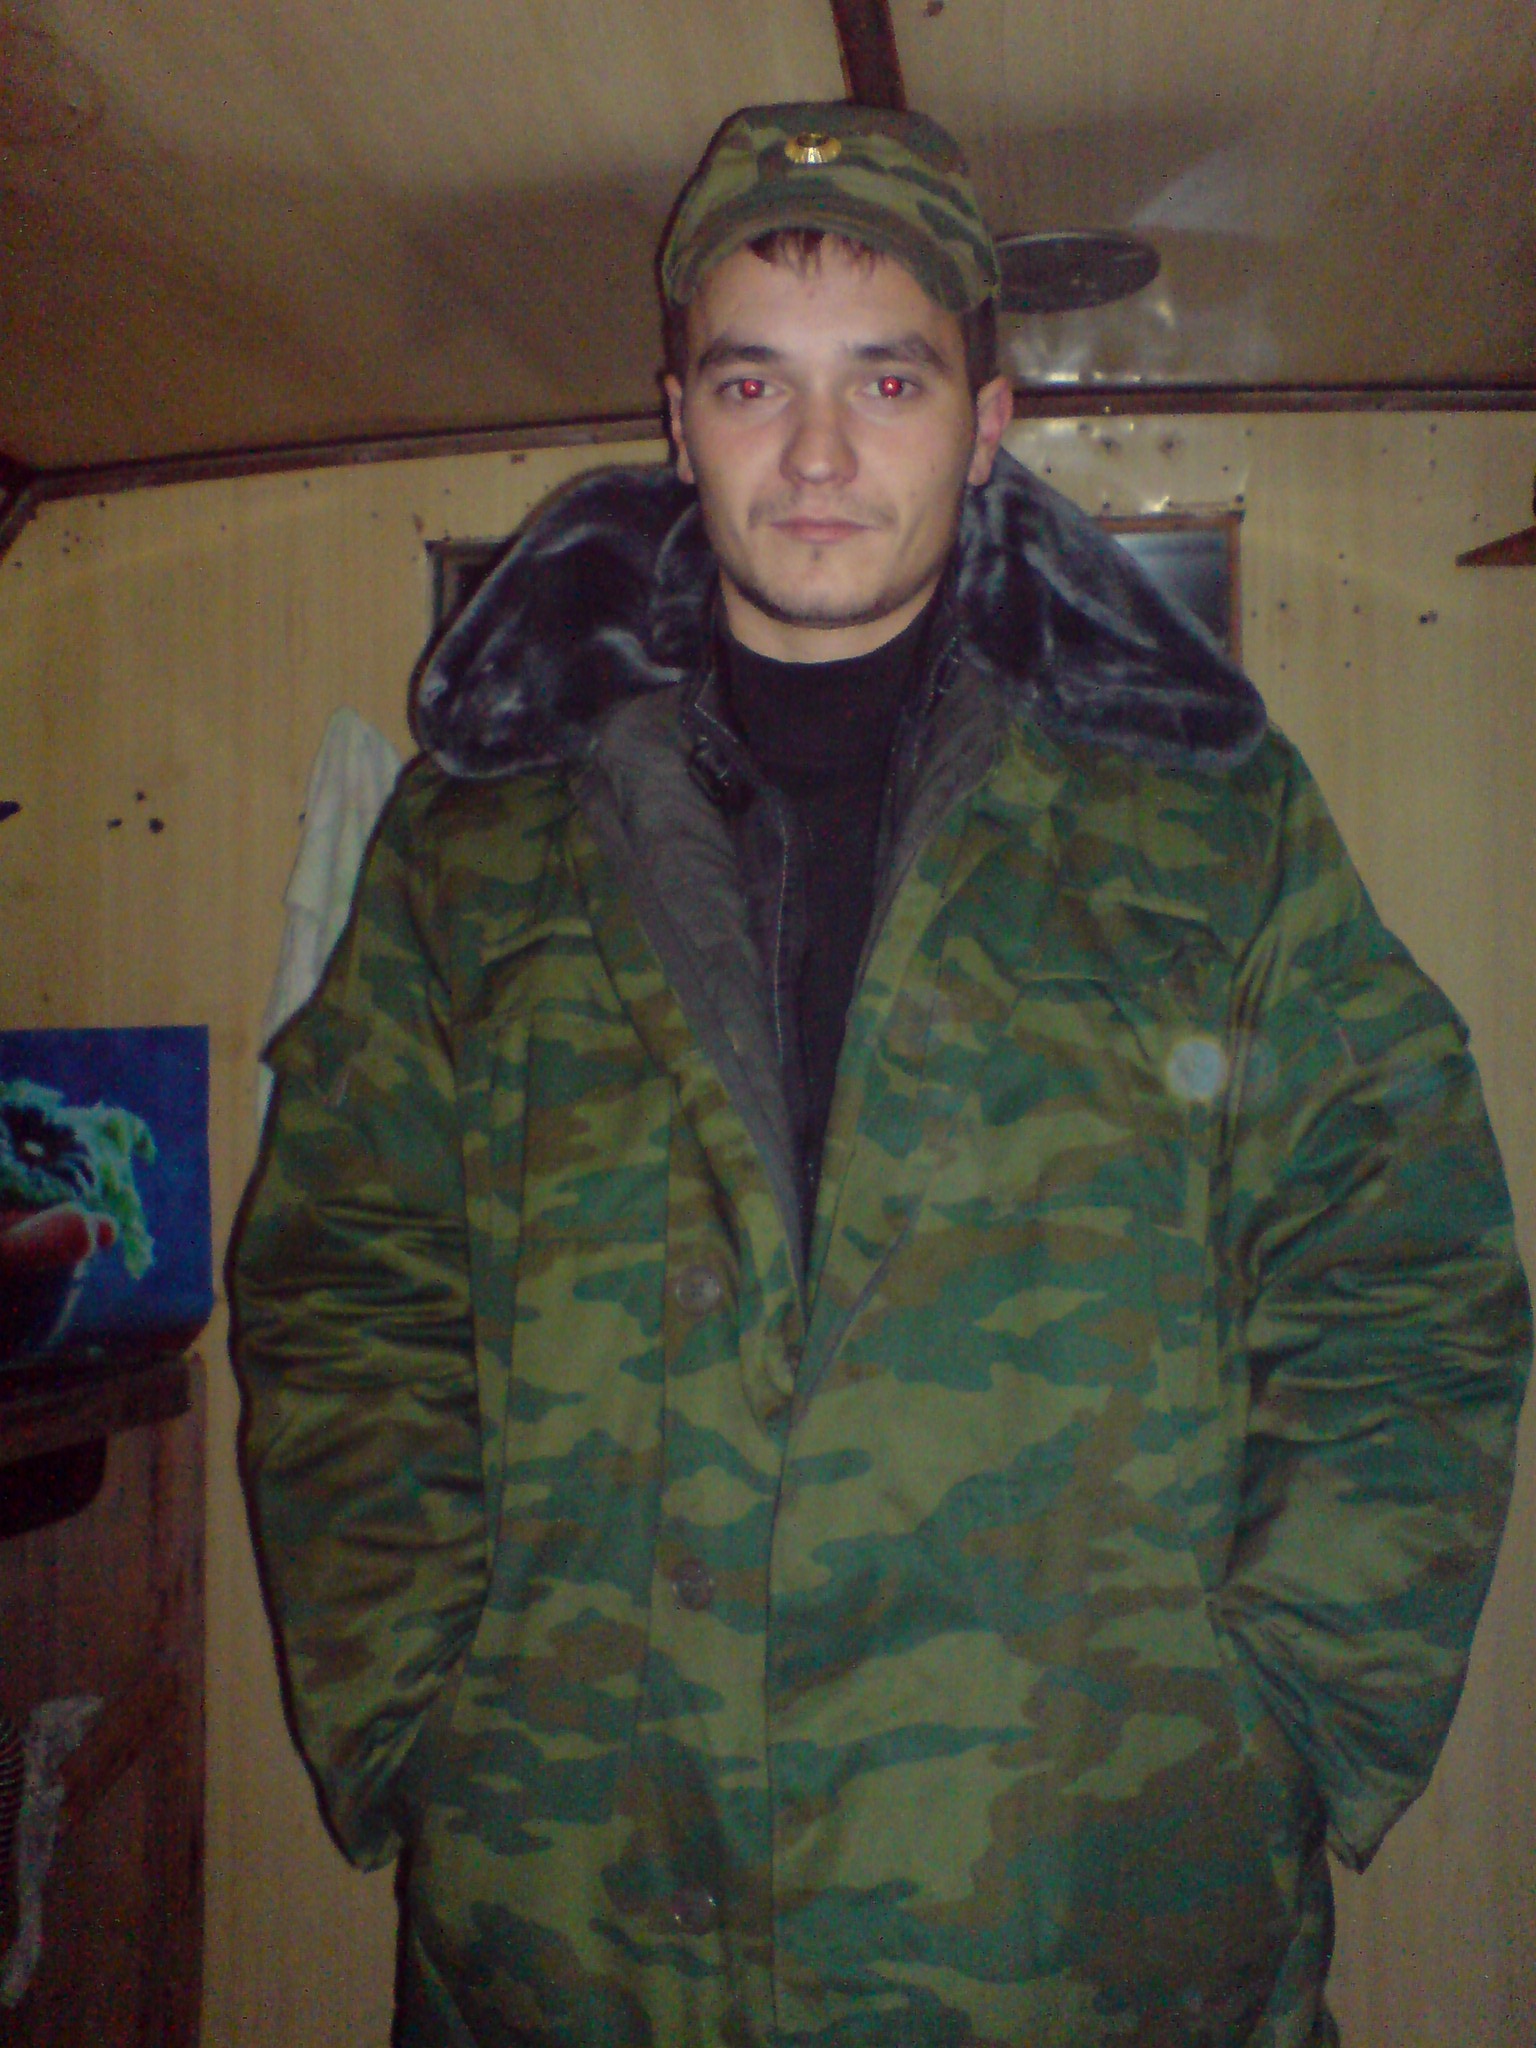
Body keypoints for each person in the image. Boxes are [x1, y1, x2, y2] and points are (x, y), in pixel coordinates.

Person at [233, 102, 1531, 2048]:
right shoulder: (474, 852)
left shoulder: (1210, 830)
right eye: (754, 380)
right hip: (580, 1936)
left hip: (1093, 1944)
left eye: (890, 381)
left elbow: (1402, 1272)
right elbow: (343, 1294)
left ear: (988, 423)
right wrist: (426, 1721)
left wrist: (1280, 1730)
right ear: (679, 420)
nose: (820, 453)